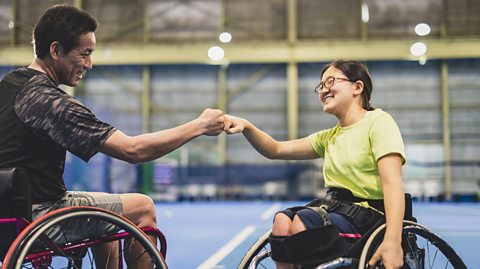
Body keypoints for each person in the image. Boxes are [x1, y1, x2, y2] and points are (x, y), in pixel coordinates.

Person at [0, 4, 224, 267]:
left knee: (103, 214)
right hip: (36, 218)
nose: (89, 64)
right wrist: (200, 126)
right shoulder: (50, 102)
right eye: (84, 54)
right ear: (55, 50)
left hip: (8, 216)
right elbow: (133, 150)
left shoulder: (8, 85)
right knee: (142, 207)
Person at [224, 60, 406, 269]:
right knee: (282, 221)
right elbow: (275, 149)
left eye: (331, 81)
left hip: (369, 219)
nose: (324, 90)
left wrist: (393, 241)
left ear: (357, 87)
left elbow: (392, 183)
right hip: (335, 210)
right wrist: (246, 126)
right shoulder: (328, 137)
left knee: (304, 221)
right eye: (320, 86)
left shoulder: (378, 122)